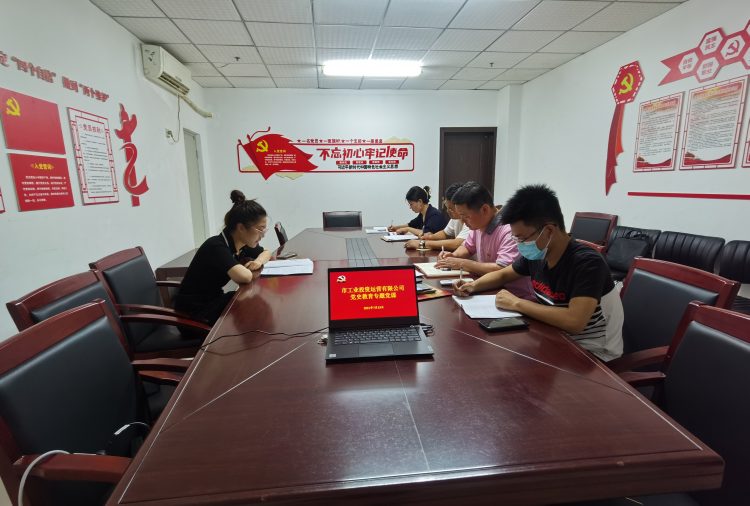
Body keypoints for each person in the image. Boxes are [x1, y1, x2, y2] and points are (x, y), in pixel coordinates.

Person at [454, 184, 623, 362]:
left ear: (548, 230)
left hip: (592, 353)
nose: (519, 244)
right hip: (554, 338)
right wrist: (472, 285)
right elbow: (503, 274)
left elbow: (574, 322)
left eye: (522, 238)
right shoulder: (538, 254)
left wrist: (517, 303)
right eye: (515, 238)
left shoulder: (587, 263)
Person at [174, 190, 269, 326]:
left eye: (265, 230)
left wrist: (258, 261)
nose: (263, 235)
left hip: (213, 301)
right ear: (241, 228)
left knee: (250, 303)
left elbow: (266, 252)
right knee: (247, 304)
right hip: (193, 316)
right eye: (260, 229)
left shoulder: (240, 243)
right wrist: (249, 268)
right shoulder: (216, 246)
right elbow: (245, 277)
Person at [435, 181, 534, 301]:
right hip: (489, 289)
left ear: (485, 209)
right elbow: (467, 247)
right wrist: (453, 256)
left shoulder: (510, 230)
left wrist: (462, 263)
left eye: (466, 216)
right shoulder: (478, 225)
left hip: (516, 296)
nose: (463, 221)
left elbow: (502, 270)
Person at [404, 182, 469, 251]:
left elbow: (457, 243)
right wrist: (430, 237)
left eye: (451, 208)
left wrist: (423, 244)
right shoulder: (455, 218)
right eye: (447, 207)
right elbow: (445, 233)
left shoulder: (470, 220)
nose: (447, 211)